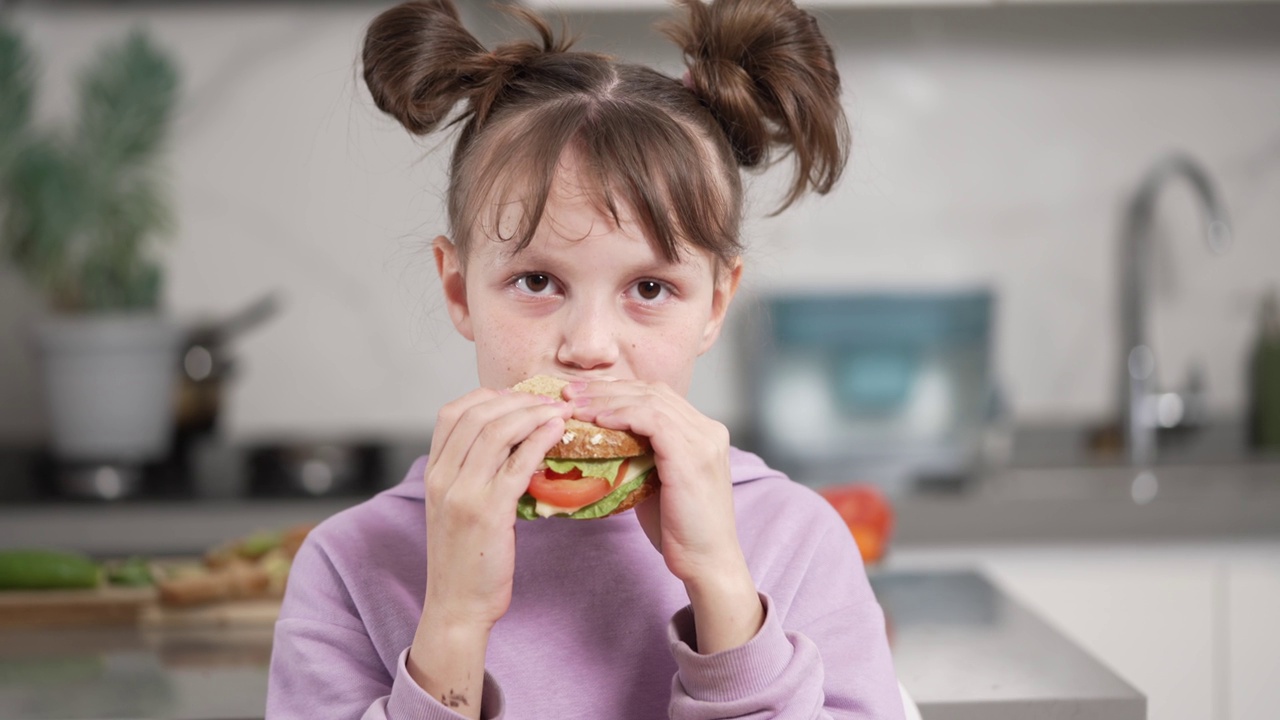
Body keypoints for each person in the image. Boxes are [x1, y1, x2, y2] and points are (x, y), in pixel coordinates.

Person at [266, 0, 904, 717]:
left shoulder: (797, 540)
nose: (590, 348)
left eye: (651, 288)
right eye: (537, 282)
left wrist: (722, 587)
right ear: (459, 290)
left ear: (717, 305)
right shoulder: (352, 562)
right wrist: (451, 620)